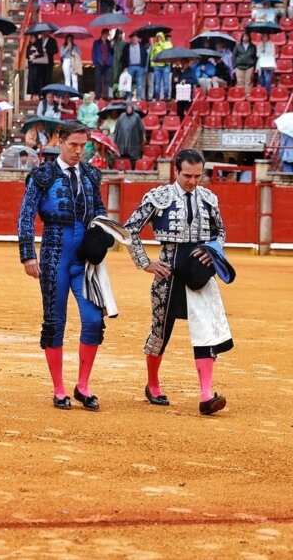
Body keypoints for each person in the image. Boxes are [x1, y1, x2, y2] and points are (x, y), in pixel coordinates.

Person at [122, 149, 232, 415]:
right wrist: (145, 263)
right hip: (168, 274)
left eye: (197, 176)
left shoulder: (208, 198)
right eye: (187, 176)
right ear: (176, 171)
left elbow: (221, 232)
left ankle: (206, 395)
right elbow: (129, 229)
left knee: (206, 330)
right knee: (161, 331)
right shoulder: (159, 197)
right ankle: (153, 384)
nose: (193, 181)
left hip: (200, 273)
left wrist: (212, 251)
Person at [18, 121, 111, 411]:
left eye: (83, 145)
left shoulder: (91, 176)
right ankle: (59, 388)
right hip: (54, 253)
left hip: (84, 259)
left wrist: (100, 239)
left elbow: (99, 213)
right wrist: (27, 255)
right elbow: (26, 215)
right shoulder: (43, 175)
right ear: (60, 142)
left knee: (94, 320)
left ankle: (83, 386)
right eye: (73, 144)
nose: (78, 151)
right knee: (55, 321)